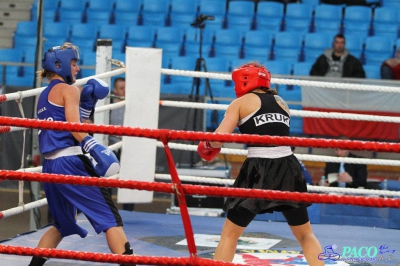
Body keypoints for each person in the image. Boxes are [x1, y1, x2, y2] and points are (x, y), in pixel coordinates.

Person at [197, 62, 324, 265]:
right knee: (305, 234)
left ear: (245, 80)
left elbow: (218, 139)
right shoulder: (281, 101)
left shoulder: (240, 102)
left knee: (230, 234)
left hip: (259, 169)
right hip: (288, 166)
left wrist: (205, 143)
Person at [31, 42, 135, 266]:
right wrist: (95, 147)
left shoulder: (44, 96)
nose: (77, 69)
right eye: (74, 63)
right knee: (110, 218)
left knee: (61, 224)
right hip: (71, 163)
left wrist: (87, 107)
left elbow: (72, 123)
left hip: (50, 167)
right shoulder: (69, 90)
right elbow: (75, 127)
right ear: (60, 65)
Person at [108, 77, 134, 211]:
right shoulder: (107, 105)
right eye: (121, 88)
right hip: (111, 147)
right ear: (115, 90)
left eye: (126, 88)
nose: (124, 91)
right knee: (109, 181)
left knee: (128, 182)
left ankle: (129, 213)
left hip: (127, 148)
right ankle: (109, 212)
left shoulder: (131, 106)